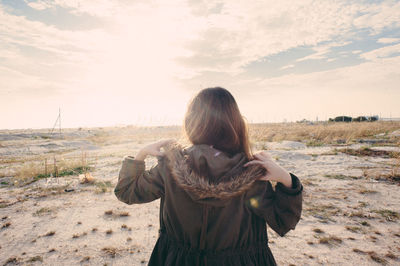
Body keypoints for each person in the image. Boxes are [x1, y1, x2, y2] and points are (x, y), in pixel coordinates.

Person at [114, 87, 303, 265]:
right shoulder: (251, 170)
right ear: (235, 123)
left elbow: (126, 192)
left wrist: (140, 155)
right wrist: (287, 180)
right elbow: (283, 221)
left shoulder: (170, 166)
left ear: (191, 122)